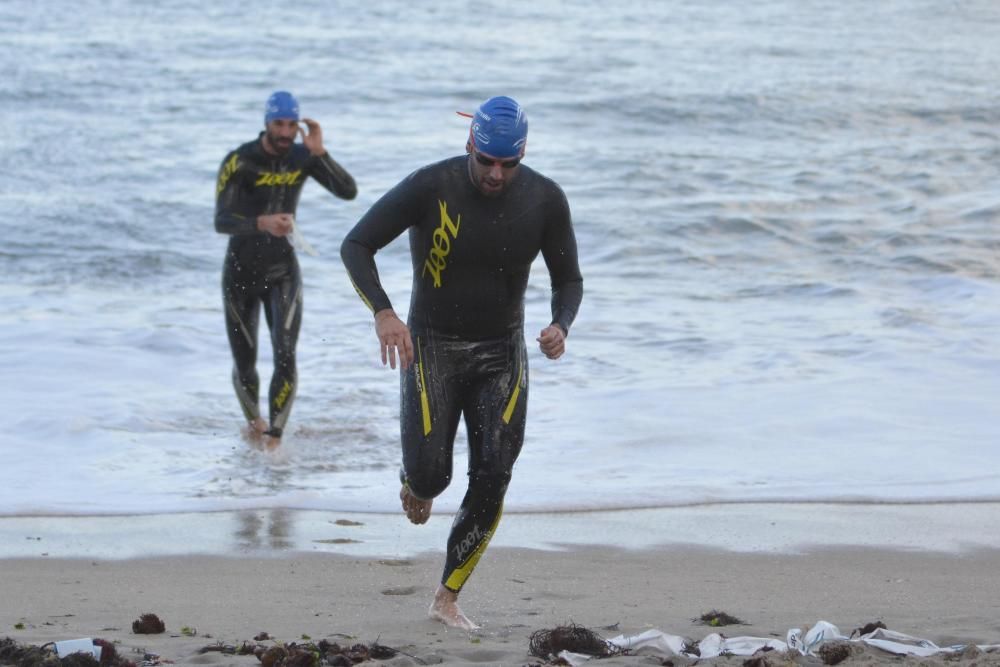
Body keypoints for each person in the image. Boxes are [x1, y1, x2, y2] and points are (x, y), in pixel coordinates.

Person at [340, 95, 583, 629]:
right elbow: (356, 244)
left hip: (502, 353)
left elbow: (569, 278)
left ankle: (447, 596)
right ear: (469, 144)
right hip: (432, 345)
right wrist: (383, 313)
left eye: (508, 164)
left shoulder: (545, 199)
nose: (496, 174)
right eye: (486, 161)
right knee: (432, 478)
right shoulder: (431, 186)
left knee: (495, 474)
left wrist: (560, 325)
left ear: (521, 155)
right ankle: (416, 481)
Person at [215, 91, 357, 450]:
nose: (285, 131)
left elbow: (348, 191)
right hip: (240, 272)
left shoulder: (302, 156)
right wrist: (261, 222)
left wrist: (320, 154)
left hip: (283, 271)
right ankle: (254, 424)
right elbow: (221, 220)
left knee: (285, 354)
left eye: (292, 124)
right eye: (279, 123)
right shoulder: (240, 160)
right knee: (245, 362)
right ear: (266, 122)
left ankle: (274, 439)